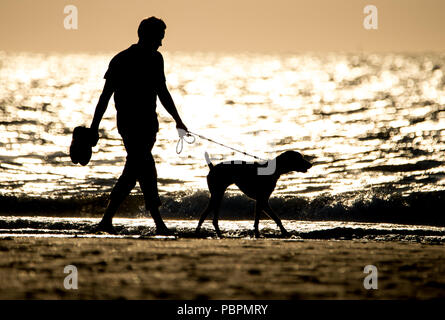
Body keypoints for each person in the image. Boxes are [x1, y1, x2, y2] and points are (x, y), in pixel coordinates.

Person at [90, 17, 188, 235]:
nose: (161, 43)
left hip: (148, 126)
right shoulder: (121, 60)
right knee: (143, 169)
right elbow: (105, 97)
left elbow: (163, 93)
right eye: (160, 38)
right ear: (149, 36)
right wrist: (93, 128)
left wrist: (178, 120)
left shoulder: (155, 59)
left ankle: (107, 221)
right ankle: (158, 224)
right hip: (130, 125)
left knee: (137, 170)